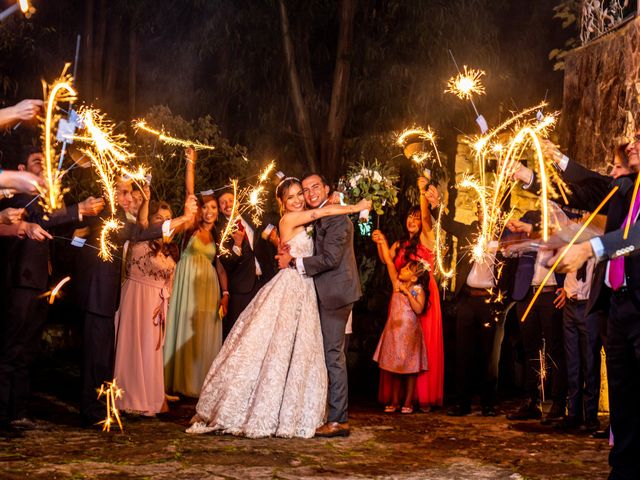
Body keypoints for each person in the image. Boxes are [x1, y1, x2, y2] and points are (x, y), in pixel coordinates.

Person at [186, 177, 370, 438]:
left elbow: (323, 218)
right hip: (294, 285)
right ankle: (271, 408)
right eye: (292, 196)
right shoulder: (290, 220)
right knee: (278, 348)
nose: (297, 199)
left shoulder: (306, 218)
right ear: (282, 203)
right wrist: (356, 205)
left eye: (300, 194)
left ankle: (309, 411)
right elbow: (322, 211)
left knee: (301, 351)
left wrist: (338, 197)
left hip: (307, 287)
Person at [519, 136, 640, 479]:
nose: (632, 144)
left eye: (639, 140)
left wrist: (591, 249)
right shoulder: (623, 188)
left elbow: (637, 235)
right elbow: (581, 191)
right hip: (617, 307)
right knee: (622, 396)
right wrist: (534, 174)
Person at [74, 176, 196, 427]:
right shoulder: (109, 216)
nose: (128, 198)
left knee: (102, 355)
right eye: (123, 193)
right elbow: (140, 232)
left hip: (107, 295)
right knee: (95, 353)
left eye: (130, 193)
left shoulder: (116, 215)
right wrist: (182, 219)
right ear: (110, 193)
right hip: (97, 292)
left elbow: (140, 229)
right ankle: (91, 410)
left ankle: (98, 406)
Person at [0, 146, 104, 437]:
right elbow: (41, 219)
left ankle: (18, 412)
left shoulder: (42, 201)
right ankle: (3, 412)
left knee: (27, 348)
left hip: (39, 283)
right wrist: (78, 210)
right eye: (36, 162)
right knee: (12, 347)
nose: (43, 166)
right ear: (20, 171)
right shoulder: (20, 197)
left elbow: (52, 224)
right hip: (20, 282)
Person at [277, 172, 365, 437]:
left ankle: (338, 420)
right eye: (305, 190)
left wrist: (294, 262)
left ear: (328, 188)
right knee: (321, 353)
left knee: (333, 356)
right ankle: (322, 411)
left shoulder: (335, 216)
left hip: (335, 294)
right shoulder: (324, 213)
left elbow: (330, 259)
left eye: (316, 187)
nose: (310, 193)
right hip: (318, 292)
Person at [426, 188, 512, 417]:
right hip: (467, 299)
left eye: (491, 211)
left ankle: (489, 404)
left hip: (490, 303)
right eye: (482, 210)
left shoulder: (505, 237)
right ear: (478, 213)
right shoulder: (468, 231)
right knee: (463, 352)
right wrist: (435, 205)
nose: (486, 214)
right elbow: (447, 224)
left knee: (490, 356)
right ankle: (461, 402)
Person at [371, 176, 444, 411]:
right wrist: (380, 242)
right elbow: (388, 262)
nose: (413, 221)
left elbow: (425, 217)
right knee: (399, 344)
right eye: (409, 217)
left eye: (416, 218)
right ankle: (397, 398)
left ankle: (420, 397)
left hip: (423, 295)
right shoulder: (401, 243)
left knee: (421, 345)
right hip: (399, 299)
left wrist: (422, 192)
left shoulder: (427, 238)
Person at [163, 148, 228, 398]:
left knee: (202, 335)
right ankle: (181, 382)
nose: (210, 211)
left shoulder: (218, 235)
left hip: (209, 289)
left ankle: (201, 384)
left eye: (213, 208)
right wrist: (191, 163)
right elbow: (190, 193)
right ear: (200, 210)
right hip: (186, 286)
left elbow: (220, 267)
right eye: (206, 207)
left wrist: (225, 294)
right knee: (185, 330)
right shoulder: (190, 226)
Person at [113, 200, 182, 416]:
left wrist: (165, 304)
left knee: (150, 350)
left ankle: (151, 397)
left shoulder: (167, 247)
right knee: (134, 346)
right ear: (150, 220)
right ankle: (130, 398)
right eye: (158, 218)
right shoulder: (140, 240)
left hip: (155, 303)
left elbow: (169, 279)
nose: (163, 223)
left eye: (167, 219)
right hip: (137, 299)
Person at [505, 211, 567, 424]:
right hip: (527, 292)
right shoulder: (530, 216)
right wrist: (512, 236)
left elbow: (559, 240)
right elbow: (507, 246)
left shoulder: (563, 217)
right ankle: (531, 401)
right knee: (530, 349)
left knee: (555, 350)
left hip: (551, 294)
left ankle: (559, 403)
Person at [371, 232, 429, 414]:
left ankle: (408, 401)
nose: (401, 270)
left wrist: (407, 292)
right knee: (394, 368)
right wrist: (383, 242)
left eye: (406, 269)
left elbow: (419, 309)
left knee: (410, 369)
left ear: (413, 278)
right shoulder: (395, 282)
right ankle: (394, 401)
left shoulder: (417, 289)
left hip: (410, 333)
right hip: (395, 332)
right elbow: (389, 262)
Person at [218, 187, 278, 338]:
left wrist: (272, 236)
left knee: (262, 330)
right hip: (242, 289)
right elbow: (227, 265)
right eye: (223, 203)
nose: (227, 204)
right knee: (239, 333)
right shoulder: (221, 231)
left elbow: (269, 225)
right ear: (220, 208)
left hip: (265, 281)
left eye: (230, 200)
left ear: (237, 202)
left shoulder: (252, 217)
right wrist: (237, 245)